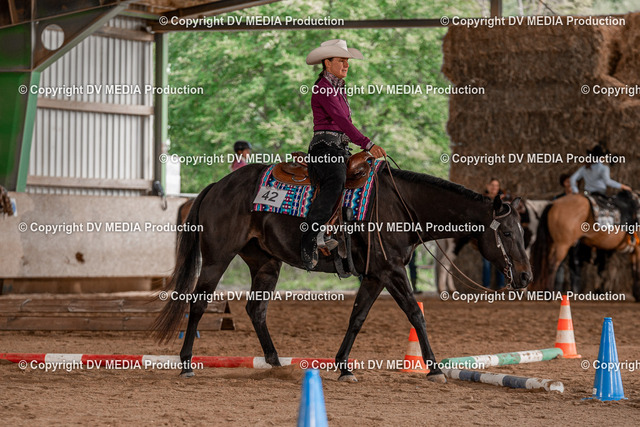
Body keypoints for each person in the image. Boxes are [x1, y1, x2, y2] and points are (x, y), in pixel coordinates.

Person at [301, 39, 386, 270]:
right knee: (335, 180)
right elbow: (341, 120)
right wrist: (367, 143)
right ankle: (309, 238)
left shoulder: (338, 88)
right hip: (324, 149)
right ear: (327, 63)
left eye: (347, 61)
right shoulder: (323, 88)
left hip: (339, 148)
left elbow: (344, 122)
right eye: (341, 60)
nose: (346, 65)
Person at [570, 144, 635, 227]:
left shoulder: (584, 168)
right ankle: (623, 227)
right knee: (622, 206)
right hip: (600, 194)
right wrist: (622, 186)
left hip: (587, 194)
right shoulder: (603, 168)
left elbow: (572, 179)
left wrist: (575, 191)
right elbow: (607, 181)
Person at [482, 177, 505, 289]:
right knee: (486, 264)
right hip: (486, 238)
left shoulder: (502, 200)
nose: (494, 188)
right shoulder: (483, 200)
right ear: (488, 186)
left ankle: (500, 287)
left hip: (499, 237)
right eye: (492, 185)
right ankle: (486, 287)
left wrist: (492, 226)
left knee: (500, 262)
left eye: (496, 186)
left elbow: (502, 219)